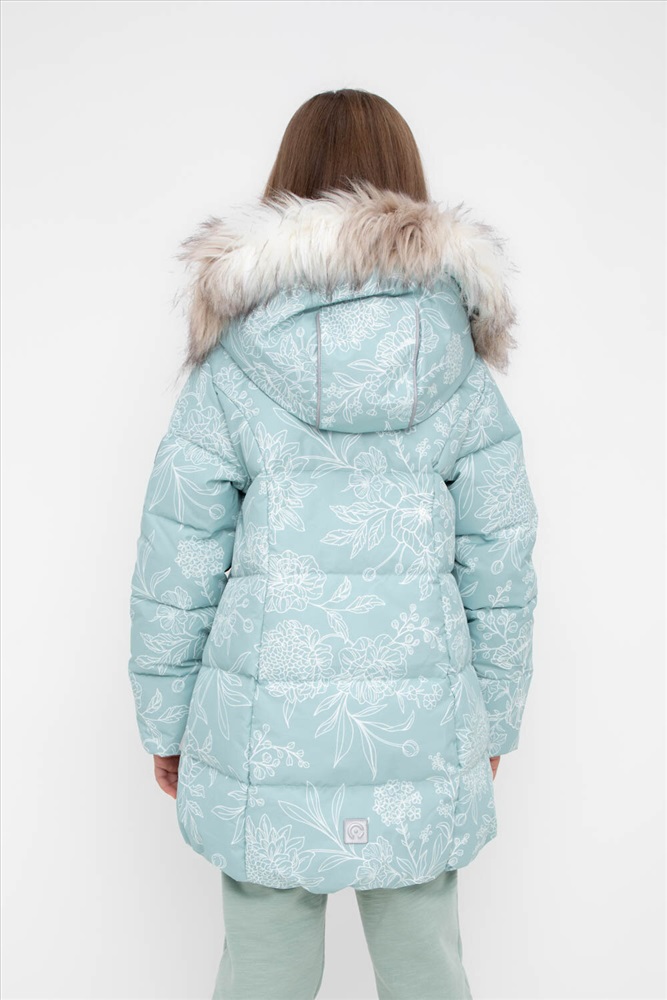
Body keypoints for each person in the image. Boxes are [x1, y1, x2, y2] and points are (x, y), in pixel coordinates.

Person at [127, 88, 539, 1000]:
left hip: (264, 728)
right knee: (426, 965)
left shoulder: (232, 367)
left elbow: (176, 559)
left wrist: (166, 718)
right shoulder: (461, 370)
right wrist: (492, 717)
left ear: (285, 193)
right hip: (421, 726)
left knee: (262, 969)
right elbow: (500, 561)